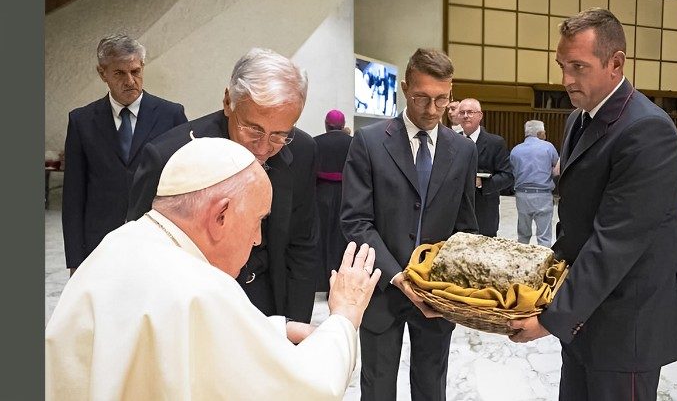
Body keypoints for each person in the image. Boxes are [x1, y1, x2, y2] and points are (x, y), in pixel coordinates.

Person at [46, 137, 381, 400]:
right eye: (257, 221)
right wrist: (345, 316)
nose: (257, 239)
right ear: (220, 215)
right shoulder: (201, 288)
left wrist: (273, 330)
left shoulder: (120, 242)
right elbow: (307, 388)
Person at [508, 8, 677, 401]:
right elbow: (576, 225)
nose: (565, 79)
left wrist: (551, 318)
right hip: (585, 314)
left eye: (578, 66)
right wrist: (539, 288)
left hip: (626, 325)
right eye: (562, 65)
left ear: (616, 63)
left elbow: (615, 242)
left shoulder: (648, 131)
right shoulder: (579, 119)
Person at [127, 48, 319, 323]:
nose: (264, 148)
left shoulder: (302, 151)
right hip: (193, 307)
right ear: (229, 101)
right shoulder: (169, 156)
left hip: (267, 299)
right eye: (253, 129)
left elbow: (302, 245)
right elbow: (142, 255)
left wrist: (296, 325)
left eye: (279, 135)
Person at [341, 48, 478, 401]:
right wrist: (398, 276)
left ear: (451, 94)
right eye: (421, 98)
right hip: (383, 288)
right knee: (378, 385)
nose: (431, 110)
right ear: (404, 88)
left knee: (432, 386)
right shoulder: (369, 142)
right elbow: (356, 221)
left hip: (438, 294)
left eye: (441, 99)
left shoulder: (461, 151)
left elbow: (465, 226)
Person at [62, 34, 188, 276]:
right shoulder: (81, 121)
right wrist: (76, 260)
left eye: (135, 71)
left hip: (158, 240)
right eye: (120, 73)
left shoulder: (171, 115)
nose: (130, 80)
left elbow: (184, 182)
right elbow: (73, 196)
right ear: (103, 74)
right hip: (100, 244)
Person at [458, 98, 514, 237]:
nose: (465, 116)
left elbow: (507, 176)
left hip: (484, 211)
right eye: (462, 112)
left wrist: (482, 183)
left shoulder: (495, 143)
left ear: (480, 115)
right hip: (456, 212)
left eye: (470, 112)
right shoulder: (452, 140)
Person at [314, 109, 353, 292]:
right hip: (348, 194)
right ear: (343, 124)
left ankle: (321, 281)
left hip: (321, 194)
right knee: (342, 239)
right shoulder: (353, 143)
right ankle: (340, 280)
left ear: (326, 124)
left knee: (321, 238)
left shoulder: (316, 142)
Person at [509, 120, 560, 247]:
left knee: (523, 235)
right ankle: (544, 265)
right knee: (544, 237)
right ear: (541, 133)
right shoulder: (548, 147)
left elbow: (513, 171)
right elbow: (557, 170)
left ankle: (522, 262)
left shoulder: (515, 150)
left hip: (521, 195)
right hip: (542, 195)